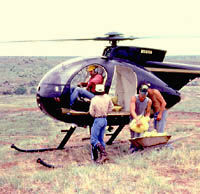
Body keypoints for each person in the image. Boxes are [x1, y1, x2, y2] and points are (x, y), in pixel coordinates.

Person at [89, 84, 114, 163]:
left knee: (93, 140)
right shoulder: (107, 97)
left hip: (97, 119)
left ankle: (103, 154)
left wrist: (95, 115)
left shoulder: (94, 99)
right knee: (100, 139)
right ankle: (102, 157)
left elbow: (91, 112)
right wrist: (106, 112)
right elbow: (111, 108)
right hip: (104, 119)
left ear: (96, 90)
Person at [129, 84, 152, 152]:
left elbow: (148, 112)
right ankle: (132, 149)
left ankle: (140, 149)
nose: (143, 96)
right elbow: (132, 110)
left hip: (141, 118)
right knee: (133, 135)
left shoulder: (148, 101)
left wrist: (146, 118)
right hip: (134, 118)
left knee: (141, 134)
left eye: (144, 95)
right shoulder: (134, 98)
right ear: (139, 91)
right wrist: (137, 119)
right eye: (142, 94)